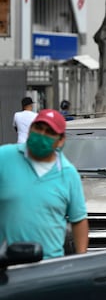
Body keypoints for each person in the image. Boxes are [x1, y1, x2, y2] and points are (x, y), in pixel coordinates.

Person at [0, 109, 89, 259]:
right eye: (38, 128)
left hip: (49, 269)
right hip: (6, 267)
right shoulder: (4, 157)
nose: (42, 135)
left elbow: (78, 220)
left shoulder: (68, 173)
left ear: (60, 140)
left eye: (49, 132)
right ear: (30, 130)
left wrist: (81, 261)